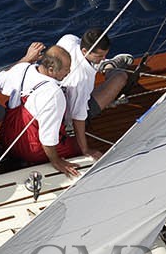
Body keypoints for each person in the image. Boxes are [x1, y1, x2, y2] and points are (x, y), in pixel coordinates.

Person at [0, 45, 80, 178]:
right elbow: (48, 138)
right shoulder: (53, 94)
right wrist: (56, 161)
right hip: (30, 150)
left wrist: (26, 59)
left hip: (6, 138)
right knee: (77, 145)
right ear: (51, 70)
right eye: (66, 70)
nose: (68, 73)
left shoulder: (22, 68)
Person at [56, 26, 137, 159]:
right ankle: (109, 67)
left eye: (105, 55)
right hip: (69, 117)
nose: (102, 57)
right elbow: (78, 117)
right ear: (84, 50)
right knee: (121, 77)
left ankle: (105, 65)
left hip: (64, 97)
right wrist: (85, 149)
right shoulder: (82, 79)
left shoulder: (68, 39)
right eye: (100, 56)